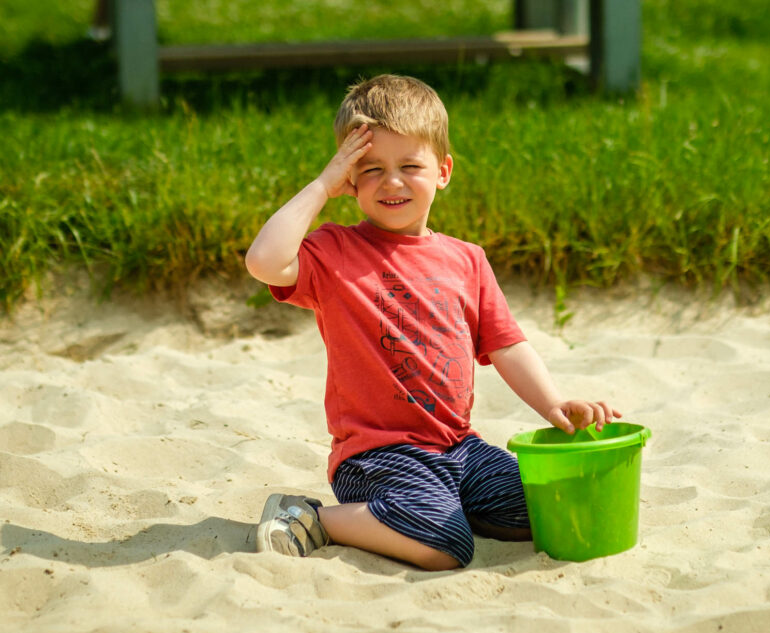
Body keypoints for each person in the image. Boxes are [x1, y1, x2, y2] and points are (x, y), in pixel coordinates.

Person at [245, 74, 620, 571]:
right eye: (370, 168)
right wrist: (320, 185)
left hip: (459, 447)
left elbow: (507, 345)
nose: (392, 181)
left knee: (551, 512)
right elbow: (265, 262)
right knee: (445, 547)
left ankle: (436, 509)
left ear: (443, 171)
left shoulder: (466, 260)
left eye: (409, 166)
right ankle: (313, 518)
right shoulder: (336, 251)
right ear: (350, 179)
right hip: (378, 455)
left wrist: (553, 404)